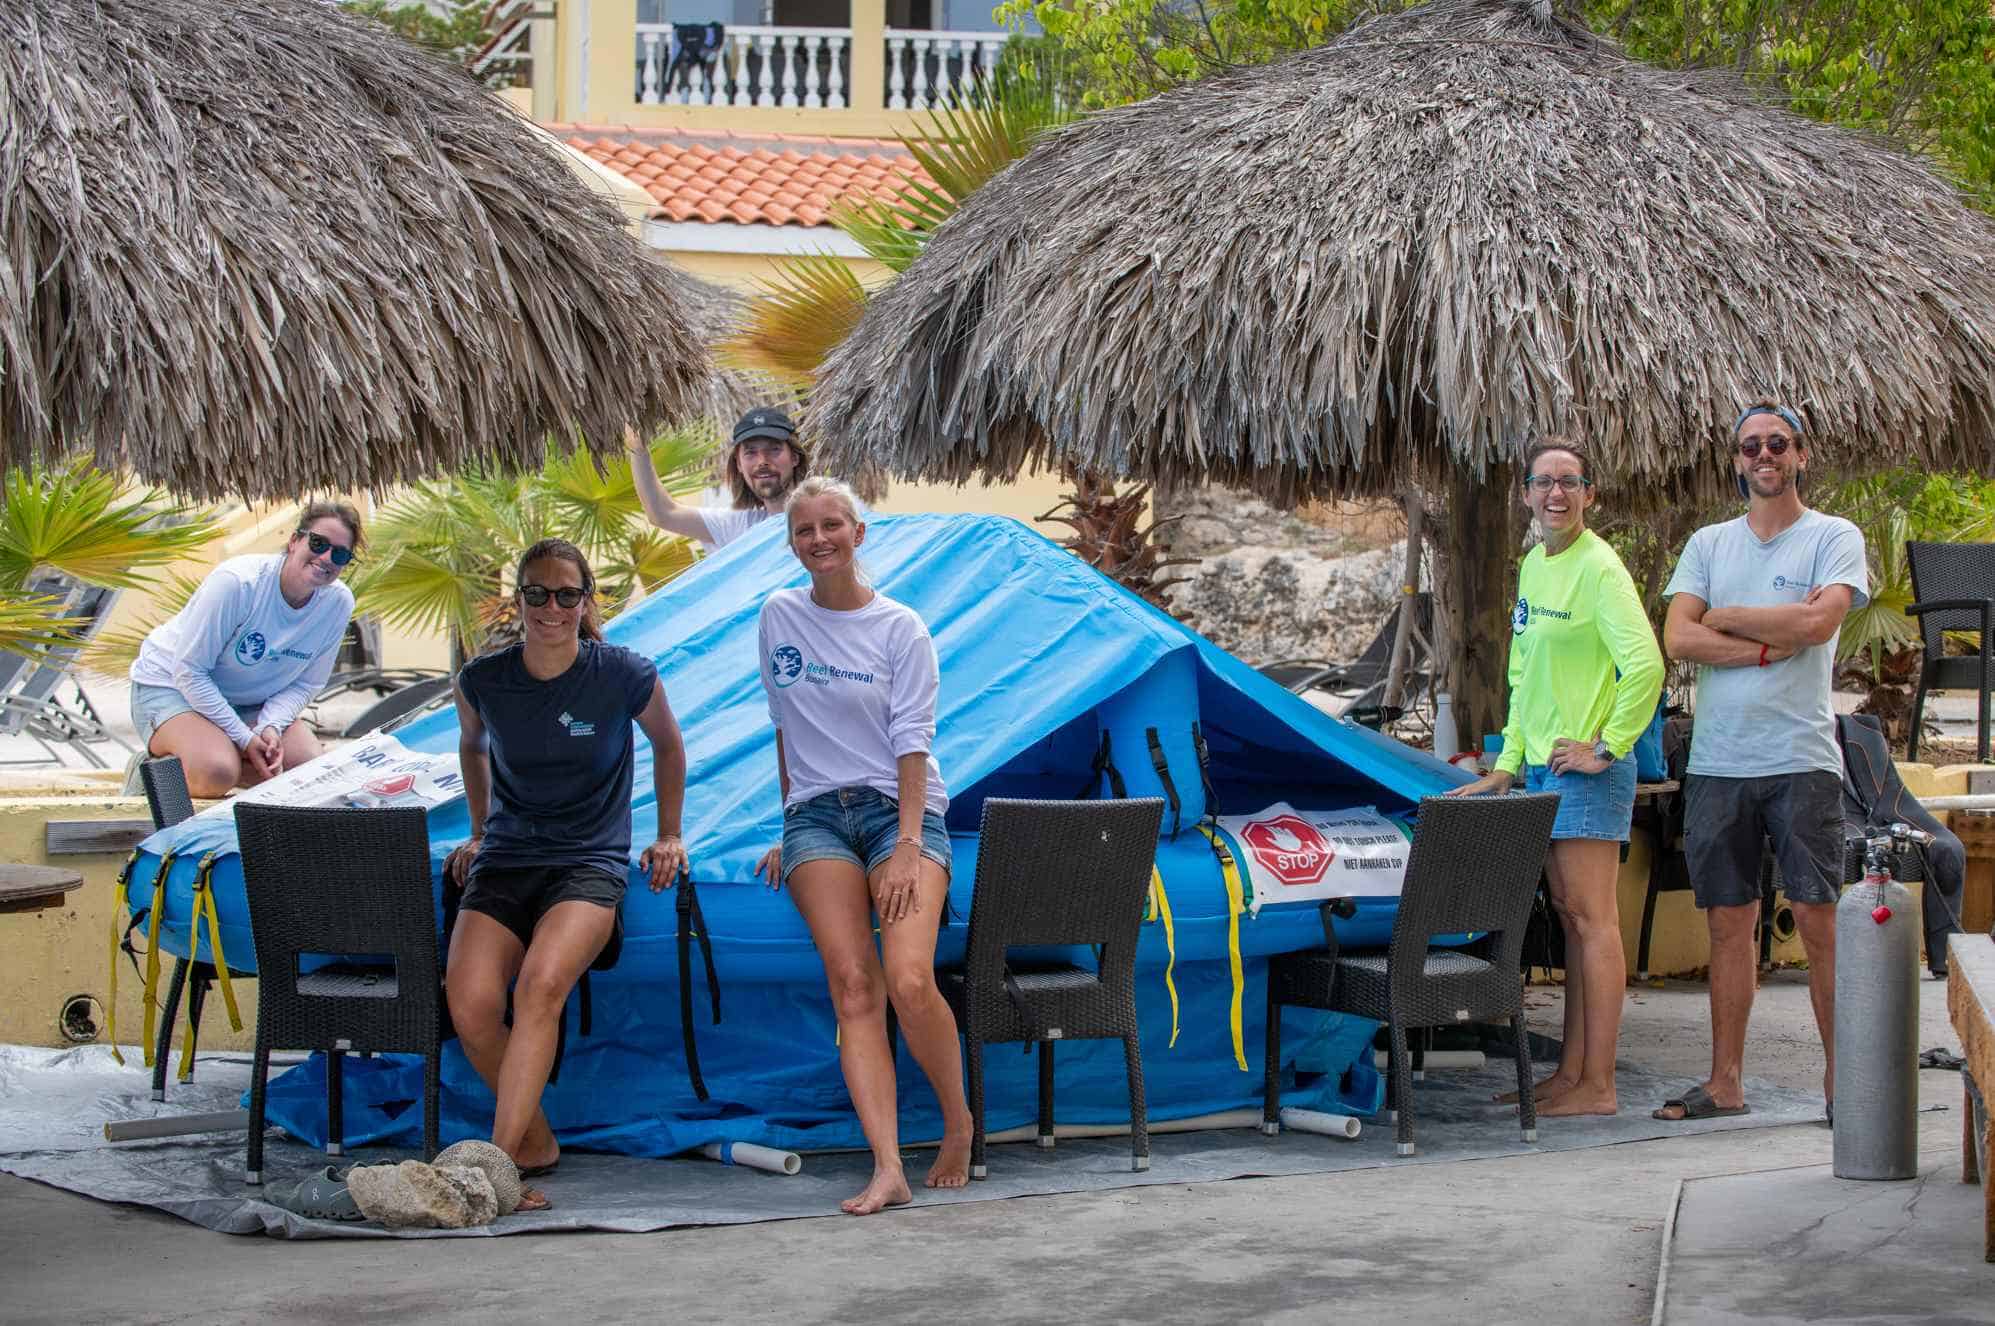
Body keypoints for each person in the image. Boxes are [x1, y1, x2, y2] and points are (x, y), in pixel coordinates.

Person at [443, 539, 689, 1212]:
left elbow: (668, 743)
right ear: (517, 599)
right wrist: (476, 827)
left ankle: (495, 1170)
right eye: (537, 594)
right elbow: (471, 745)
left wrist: (668, 834)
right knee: (468, 1004)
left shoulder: (623, 673)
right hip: (507, 857)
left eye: (566, 595)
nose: (552, 608)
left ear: (587, 602)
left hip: (588, 860)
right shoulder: (481, 679)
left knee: (542, 985)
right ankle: (535, 1140)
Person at [752, 476, 971, 1215]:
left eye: (831, 525)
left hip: (895, 812)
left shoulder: (900, 627)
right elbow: (787, 727)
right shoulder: (778, 615)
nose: (818, 540)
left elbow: (913, 746)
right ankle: (887, 1167)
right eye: (804, 530)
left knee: (909, 979)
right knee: (853, 986)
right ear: (792, 543)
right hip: (815, 818)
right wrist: (790, 822)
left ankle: (958, 1123)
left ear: (858, 533)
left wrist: (909, 845)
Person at [1654, 401, 1867, 1123]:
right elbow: (1677, 639)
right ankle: (1725, 1083)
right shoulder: (1709, 543)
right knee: (1726, 925)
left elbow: (1819, 621)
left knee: (1818, 921)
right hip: (1719, 762)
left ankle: (1847, 1087)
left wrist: (1721, 614)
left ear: (1800, 454)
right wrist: (1768, 644)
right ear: (1736, 460)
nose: (1763, 455)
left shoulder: (1831, 536)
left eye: (1776, 443)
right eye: (1750, 446)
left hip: (1801, 760)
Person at [1451, 440, 1664, 1117]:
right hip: (1543, 766)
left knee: (1592, 922)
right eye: (1543, 482)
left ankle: (1597, 1086)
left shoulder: (1599, 569)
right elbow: (1523, 679)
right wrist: (1507, 765)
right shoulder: (1535, 568)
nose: (1555, 494)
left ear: (1588, 495)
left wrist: (1606, 745)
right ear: (1524, 494)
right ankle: (1569, 1076)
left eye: (1569, 482)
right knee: (1571, 922)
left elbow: (1647, 667)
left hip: (1584, 770)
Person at [129, 501, 362, 799]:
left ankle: (207, 751)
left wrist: (271, 727)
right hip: (171, 686)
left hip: (252, 703)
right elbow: (190, 671)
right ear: (294, 541)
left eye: (340, 554)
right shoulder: (238, 583)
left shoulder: (338, 603)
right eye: (318, 543)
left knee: (308, 771)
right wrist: (243, 738)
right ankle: (152, 769)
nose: (326, 557)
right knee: (216, 774)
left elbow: (308, 683)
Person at [628, 407, 805, 552]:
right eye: (750, 452)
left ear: (795, 457)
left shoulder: (822, 516)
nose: (762, 461)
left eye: (774, 449)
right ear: (739, 465)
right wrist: (638, 447)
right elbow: (663, 514)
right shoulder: (736, 527)